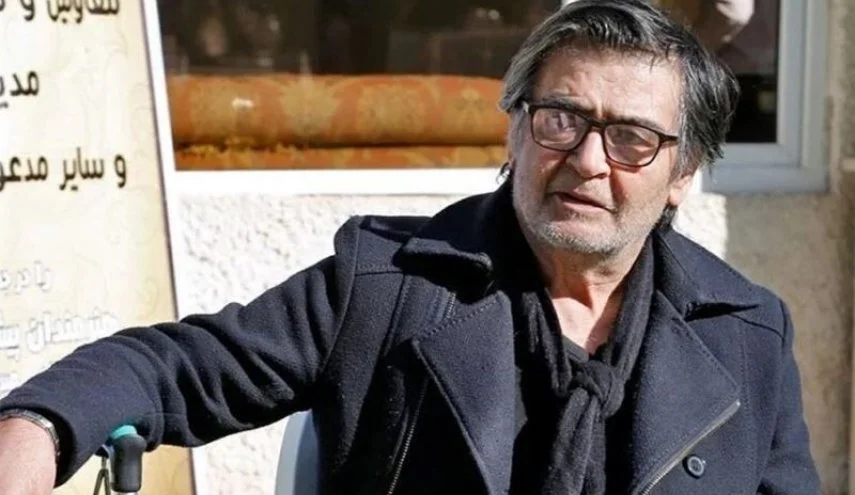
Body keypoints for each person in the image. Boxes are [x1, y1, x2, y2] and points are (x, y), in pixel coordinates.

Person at [0, 1, 820, 494]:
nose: (586, 159)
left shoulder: (746, 331)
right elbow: (174, 366)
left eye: (631, 138)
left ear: (681, 174)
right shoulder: (386, 284)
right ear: (514, 130)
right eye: (560, 119)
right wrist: (40, 426)